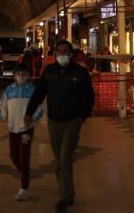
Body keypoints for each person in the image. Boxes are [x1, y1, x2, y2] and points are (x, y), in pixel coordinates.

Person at [25, 39, 95, 212]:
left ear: (71, 54)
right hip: (54, 121)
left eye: (65, 51)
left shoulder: (80, 72)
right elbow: (40, 92)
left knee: (64, 158)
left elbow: (89, 96)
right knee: (60, 160)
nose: (62, 54)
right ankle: (66, 190)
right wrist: (29, 112)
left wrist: (82, 116)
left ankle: (64, 197)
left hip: (73, 121)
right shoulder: (49, 71)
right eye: (59, 51)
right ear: (55, 53)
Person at [0, 64, 44, 202]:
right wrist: (2, 115)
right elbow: (2, 105)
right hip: (12, 128)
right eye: (18, 73)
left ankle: (24, 188)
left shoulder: (33, 90)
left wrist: (32, 119)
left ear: (28, 75)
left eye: (24, 73)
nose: (21, 76)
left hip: (26, 129)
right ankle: (24, 173)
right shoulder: (9, 89)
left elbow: (40, 108)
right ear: (14, 75)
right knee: (13, 155)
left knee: (24, 156)